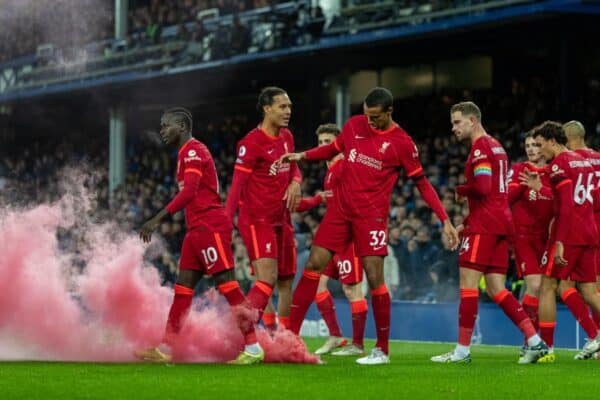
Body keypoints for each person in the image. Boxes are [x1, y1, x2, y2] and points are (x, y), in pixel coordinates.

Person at [281, 87, 459, 365]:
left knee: (374, 279)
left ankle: (382, 350)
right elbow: (333, 148)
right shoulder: (354, 126)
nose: (370, 121)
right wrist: (303, 155)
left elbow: (422, 184)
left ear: (389, 112)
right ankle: (289, 339)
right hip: (340, 211)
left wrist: (445, 220)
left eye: (375, 117)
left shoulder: (402, 143)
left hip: (371, 216)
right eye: (367, 115)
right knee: (314, 264)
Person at [134, 107, 263, 364]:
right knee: (182, 290)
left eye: (165, 125)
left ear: (181, 126)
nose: (162, 130)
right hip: (195, 230)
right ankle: (166, 349)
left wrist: (156, 219)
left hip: (209, 225)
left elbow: (190, 192)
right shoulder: (184, 154)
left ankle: (254, 347)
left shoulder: (194, 151)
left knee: (229, 286)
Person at [430, 101, 547, 364]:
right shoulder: (497, 146)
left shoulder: (481, 148)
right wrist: (466, 221)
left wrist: (461, 190)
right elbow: (494, 193)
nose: (453, 128)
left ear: (473, 120)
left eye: (458, 122)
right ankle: (535, 340)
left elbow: (482, 188)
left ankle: (461, 351)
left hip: (486, 226)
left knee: (468, 286)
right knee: (496, 288)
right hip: (500, 223)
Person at [521, 121, 600, 361]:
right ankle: (595, 337)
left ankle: (547, 348)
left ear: (554, 141)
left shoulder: (560, 164)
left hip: (569, 234)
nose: (538, 150)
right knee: (589, 290)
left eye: (540, 144)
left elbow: (565, 205)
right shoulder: (586, 161)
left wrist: (560, 242)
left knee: (549, 286)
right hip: (590, 230)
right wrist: (541, 179)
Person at [225, 87, 301, 332]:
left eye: (289, 106)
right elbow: (236, 187)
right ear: (267, 109)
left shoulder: (287, 137)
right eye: (282, 106)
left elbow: (294, 168)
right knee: (266, 278)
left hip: (283, 218)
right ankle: (241, 332)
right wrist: (225, 224)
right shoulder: (251, 143)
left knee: (286, 279)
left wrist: (295, 182)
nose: (288, 111)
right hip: (258, 220)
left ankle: (282, 336)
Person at [295, 123, 368, 356]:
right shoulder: (330, 170)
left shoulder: (346, 165)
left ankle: (357, 345)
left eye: (328, 142)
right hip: (333, 238)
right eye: (321, 142)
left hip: (349, 237)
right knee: (318, 284)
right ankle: (336, 336)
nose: (324, 146)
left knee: (351, 290)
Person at [507, 132, 553, 349]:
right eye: (527, 145)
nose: (531, 149)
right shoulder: (518, 170)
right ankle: (531, 341)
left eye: (536, 145)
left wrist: (540, 189)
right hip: (524, 236)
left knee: (545, 289)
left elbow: (559, 204)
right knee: (534, 285)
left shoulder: (554, 171)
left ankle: (538, 342)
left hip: (548, 237)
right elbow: (505, 198)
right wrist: (522, 187)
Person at [564, 120, 600, 344]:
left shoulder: (571, 161)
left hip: (582, 226)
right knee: (595, 287)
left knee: (566, 285)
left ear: (567, 140)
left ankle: (595, 337)